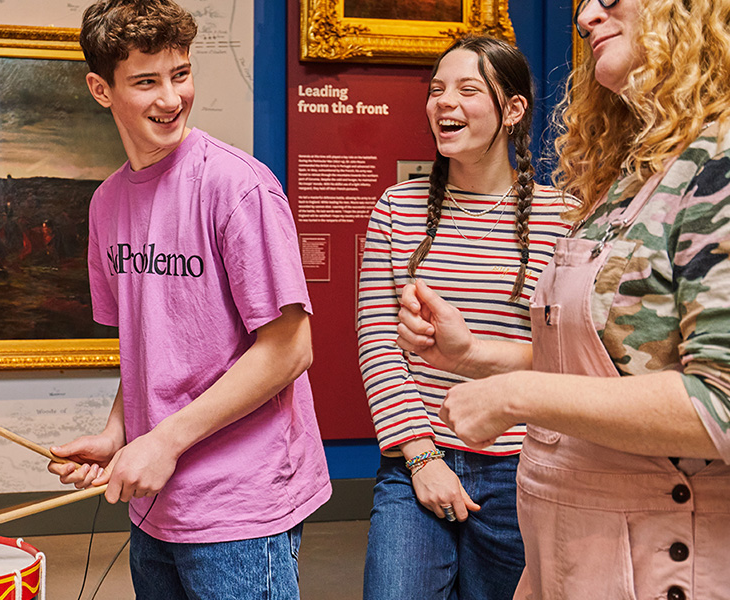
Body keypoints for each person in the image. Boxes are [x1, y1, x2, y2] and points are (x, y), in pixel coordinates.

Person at [396, 1, 730, 598]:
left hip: (662, 562)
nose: (587, 16)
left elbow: (720, 403)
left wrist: (515, 394)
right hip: (580, 556)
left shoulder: (719, 168)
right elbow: (608, 367)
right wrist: (473, 354)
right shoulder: (640, 174)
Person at [46, 0, 331, 597]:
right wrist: (118, 434)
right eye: (146, 81)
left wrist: (163, 440)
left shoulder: (239, 188)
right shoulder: (106, 204)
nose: (171, 99)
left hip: (241, 503)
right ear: (101, 89)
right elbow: (149, 347)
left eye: (180, 74)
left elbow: (290, 351)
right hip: (157, 496)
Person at [356, 36, 574, 600]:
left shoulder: (565, 218)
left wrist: (473, 353)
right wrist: (423, 457)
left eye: (468, 89)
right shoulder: (396, 209)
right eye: (436, 90)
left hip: (527, 469)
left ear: (515, 110)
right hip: (417, 460)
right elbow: (378, 345)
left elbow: (572, 359)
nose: (443, 102)